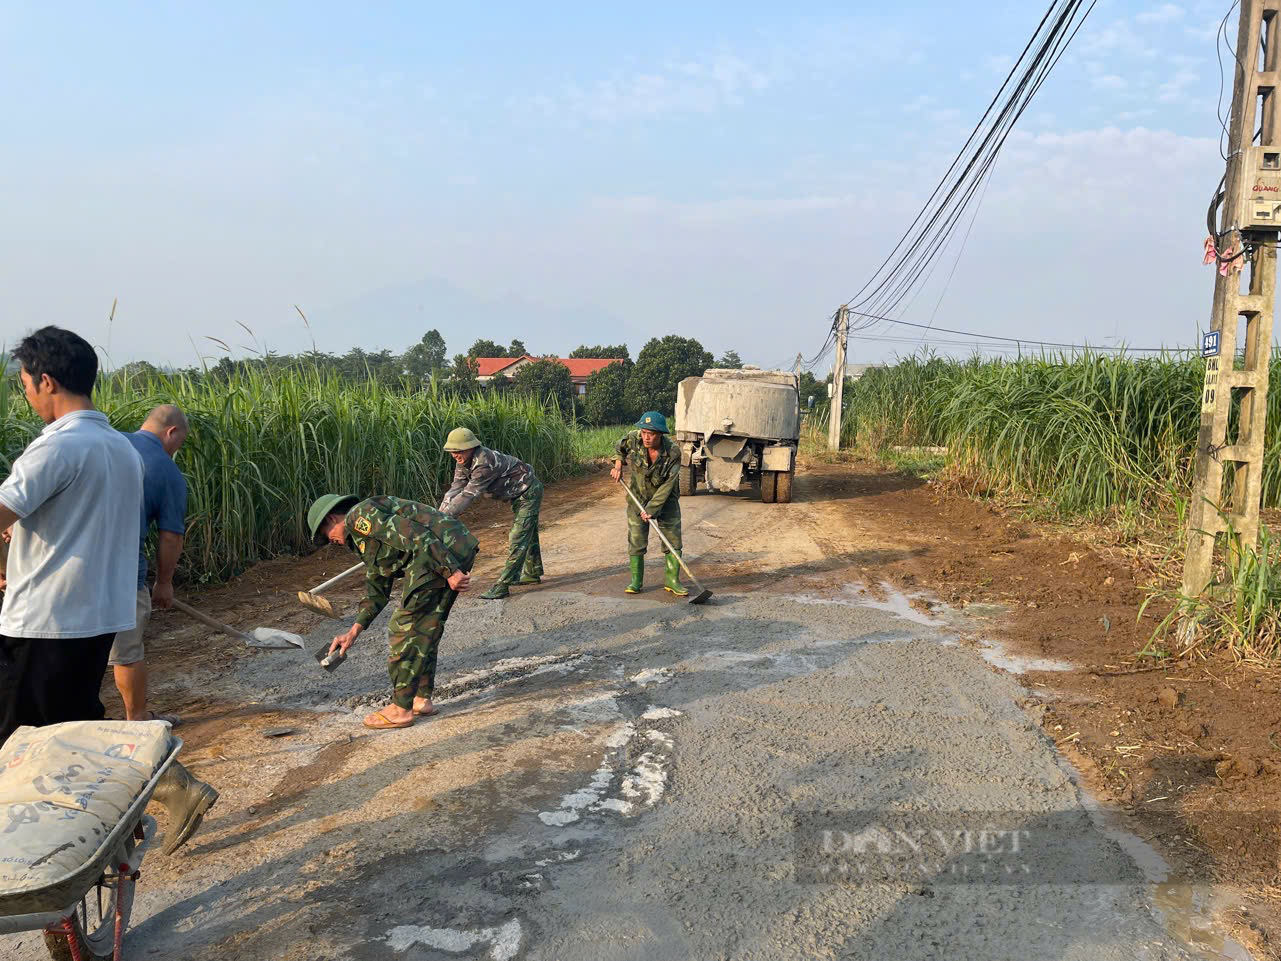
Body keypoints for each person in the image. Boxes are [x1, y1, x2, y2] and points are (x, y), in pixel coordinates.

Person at [0, 327, 216, 853]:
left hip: (46, 618)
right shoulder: (120, 449)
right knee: (74, 727)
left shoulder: (58, 447)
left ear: (46, 381)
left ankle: (129, 809)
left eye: (26, 384)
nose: (25, 396)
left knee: (19, 742)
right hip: (98, 616)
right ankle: (130, 813)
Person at [308, 493, 479, 730]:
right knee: (427, 628)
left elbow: (415, 534)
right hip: (448, 550)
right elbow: (377, 588)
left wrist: (450, 570)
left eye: (326, 537)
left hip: (439, 553)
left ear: (331, 519)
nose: (331, 542)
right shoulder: (361, 539)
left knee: (403, 628)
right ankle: (421, 698)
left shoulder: (358, 517)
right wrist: (353, 631)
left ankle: (400, 708)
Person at [111, 404, 189, 724]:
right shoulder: (167, 470)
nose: (175, 452)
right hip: (122, 571)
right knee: (127, 652)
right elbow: (170, 537)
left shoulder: (109, 443)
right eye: (178, 445)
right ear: (170, 432)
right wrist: (164, 582)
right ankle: (138, 718)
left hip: (73, 567)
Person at [438, 427, 543, 600]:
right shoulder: (462, 463)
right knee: (527, 532)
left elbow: (468, 494)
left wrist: (443, 520)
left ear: (471, 447)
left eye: (459, 451)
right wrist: (439, 515)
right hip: (516, 495)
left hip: (528, 491)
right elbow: (455, 489)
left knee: (518, 535)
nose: (456, 455)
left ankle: (503, 585)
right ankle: (532, 572)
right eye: (452, 451)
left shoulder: (484, 462)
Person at [611, 411, 687, 596]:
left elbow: (668, 486)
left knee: (673, 542)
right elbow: (618, 448)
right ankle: (636, 582)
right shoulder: (633, 438)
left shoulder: (673, 453)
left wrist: (652, 509)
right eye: (644, 432)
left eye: (651, 434)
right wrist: (619, 464)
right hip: (638, 498)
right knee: (636, 540)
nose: (646, 437)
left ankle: (672, 581)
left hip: (665, 502)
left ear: (660, 434)